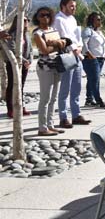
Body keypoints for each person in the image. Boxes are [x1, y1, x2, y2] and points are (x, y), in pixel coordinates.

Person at [53, 0, 91, 127]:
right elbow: (65, 37)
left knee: (77, 86)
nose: (74, 8)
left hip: (77, 55)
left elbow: (77, 36)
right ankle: (63, 117)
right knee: (65, 87)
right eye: (71, 6)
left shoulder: (73, 19)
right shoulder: (58, 19)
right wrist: (75, 49)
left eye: (75, 6)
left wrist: (80, 47)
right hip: (67, 55)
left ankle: (76, 115)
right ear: (63, 6)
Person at [32, 7, 66, 135]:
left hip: (56, 65)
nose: (45, 17)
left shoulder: (53, 30)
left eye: (47, 15)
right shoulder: (37, 33)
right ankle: (42, 127)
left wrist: (57, 43)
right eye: (42, 15)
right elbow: (45, 50)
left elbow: (64, 44)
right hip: (45, 67)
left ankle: (50, 125)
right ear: (37, 17)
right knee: (45, 98)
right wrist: (58, 43)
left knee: (53, 98)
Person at [2, 15, 32, 118]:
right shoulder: (11, 34)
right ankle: (10, 109)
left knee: (21, 86)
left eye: (27, 20)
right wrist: (24, 61)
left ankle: (21, 107)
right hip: (13, 63)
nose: (26, 22)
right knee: (12, 85)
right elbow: (13, 50)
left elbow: (30, 49)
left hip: (25, 64)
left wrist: (29, 61)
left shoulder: (26, 34)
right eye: (24, 20)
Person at [81, 12, 105, 109]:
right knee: (95, 80)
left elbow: (101, 44)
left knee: (91, 79)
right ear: (92, 20)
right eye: (98, 19)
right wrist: (89, 54)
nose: (100, 21)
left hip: (100, 59)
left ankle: (89, 99)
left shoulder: (99, 32)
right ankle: (98, 100)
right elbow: (83, 44)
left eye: (100, 19)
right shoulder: (88, 31)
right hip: (91, 59)